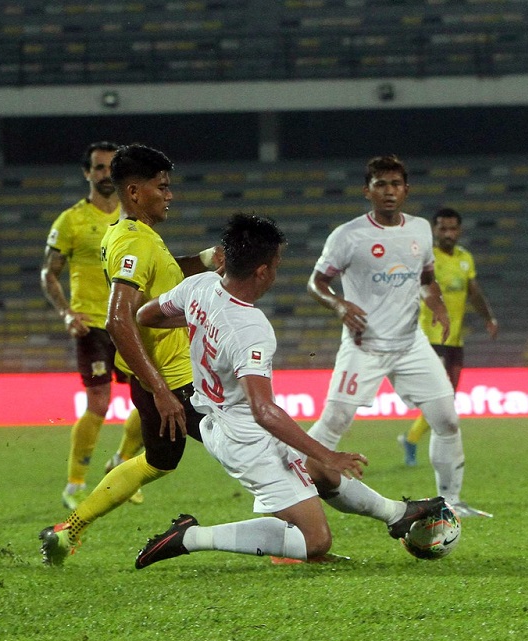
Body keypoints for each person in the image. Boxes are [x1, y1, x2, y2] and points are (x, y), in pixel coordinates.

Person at [133, 213, 446, 569]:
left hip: (220, 419)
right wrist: (329, 453)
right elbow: (263, 411)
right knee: (315, 540)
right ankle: (190, 537)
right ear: (262, 271)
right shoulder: (250, 328)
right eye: (277, 265)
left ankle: (398, 514)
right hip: (245, 439)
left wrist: (199, 319)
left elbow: (146, 316)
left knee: (322, 473)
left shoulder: (200, 286)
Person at [39, 143, 219, 565]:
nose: (170, 195)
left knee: (159, 460)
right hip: (177, 382)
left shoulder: (136, 235)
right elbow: (119, 318)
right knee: (254, 450)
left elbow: (163, 274)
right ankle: (295, 538)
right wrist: (161, 391)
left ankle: (68, 530)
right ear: (135, 192)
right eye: (163, 187)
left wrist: (207, 259)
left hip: (162, 376)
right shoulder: (131, 239)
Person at [306, 155, 491, 519]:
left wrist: (437, 304)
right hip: (365, 346)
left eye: (395, 185)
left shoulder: (420, 229)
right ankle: (289, 494)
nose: (389, 192)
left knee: (447, 420)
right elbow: (316, 283)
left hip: (410, 344)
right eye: (381, 185)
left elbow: (425, 279)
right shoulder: (348, 235)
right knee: (334, 421)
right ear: (367, 191)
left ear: (406, 190)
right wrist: (339, 306)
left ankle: (451, 502)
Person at [41, 141, 144, 510]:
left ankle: (121, 463)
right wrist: (67, 313)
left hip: (129, 321)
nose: (105, 174)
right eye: (98, 168)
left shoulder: (134, 217)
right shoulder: (71, 221)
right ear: (87, 172)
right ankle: (75, 485)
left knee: (150, 397)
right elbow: (49, 274)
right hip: (93, 325)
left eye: (111, 167)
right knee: (99, 403)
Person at [398, 208, 499, 468]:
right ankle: (415, 441)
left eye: (452, 229)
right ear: (434, 230)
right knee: (440, 397)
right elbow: (417, 288)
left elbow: (473, 292)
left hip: (455, 339)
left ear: (459, 231)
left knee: (448, 397)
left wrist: (488, 317)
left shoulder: (465, 258)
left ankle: (411, 439)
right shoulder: (427, 258)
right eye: (442, 228)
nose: (448, 234)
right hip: (431, 338)